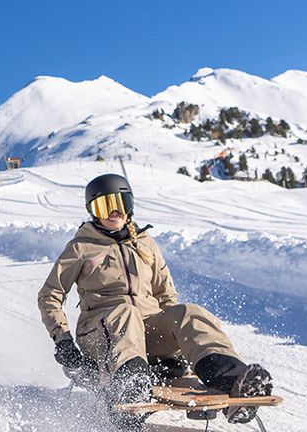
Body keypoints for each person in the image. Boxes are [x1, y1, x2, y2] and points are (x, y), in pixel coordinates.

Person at [38, 172, 273, 410]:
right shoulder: (80, 248)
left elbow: (166, 295)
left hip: (146, 330)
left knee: (188, 313)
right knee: (126, 313)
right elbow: (50, 295)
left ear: (130, 206)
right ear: (92, 211)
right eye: (104, 206)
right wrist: (63, 340)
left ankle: (233, 382)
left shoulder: (144, 242)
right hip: (102, 332)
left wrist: (178, 339)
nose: (114, 213)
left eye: (120, 204)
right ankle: (129, 388)